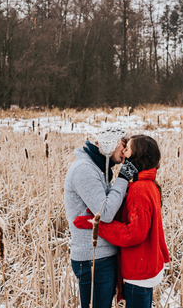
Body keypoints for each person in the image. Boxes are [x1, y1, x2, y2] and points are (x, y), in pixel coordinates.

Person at [74, 134, 170, 308]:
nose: (123, 150)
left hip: (139, 270)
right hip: (144, 266)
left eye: (127, 148)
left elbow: (134, 233)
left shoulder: (140, 189)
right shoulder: (148, 184)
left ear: (136, 157)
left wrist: (97, 225)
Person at [64, 128, 139, 308]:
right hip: (93, 259)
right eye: (123, 144)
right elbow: (104, 213)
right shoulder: (84, 170)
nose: (125, 150)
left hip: (101, 256)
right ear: (109, 143)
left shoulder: (98, 168)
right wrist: (123, 177)